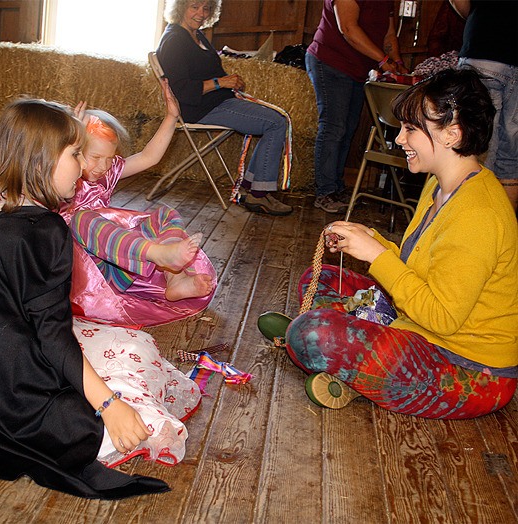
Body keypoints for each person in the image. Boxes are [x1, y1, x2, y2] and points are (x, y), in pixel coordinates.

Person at [0, 98, 200, 499]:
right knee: (121, 405)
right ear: (43, 159)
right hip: (10, 389)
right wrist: (110, 407)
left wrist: (65, 124)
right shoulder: (44, 229)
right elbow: (52, 336)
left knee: (129, 343)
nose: (84, 166)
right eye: (74, 153)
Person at [285, 69, 518, 419]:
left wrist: (376, 255)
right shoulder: (441, 184)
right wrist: (368, 241)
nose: (399, 139)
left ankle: (328, 347)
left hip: (470, 370)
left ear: (452, 134)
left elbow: (441, 317)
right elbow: (420, 269)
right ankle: (347, 355)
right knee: (317, 279)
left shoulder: (479, 213)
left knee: (310, 333)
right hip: (420, 328)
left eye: (411, 129)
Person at [59, 79, 216, 326]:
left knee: (165, 213)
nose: (103, 166)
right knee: (82, 218)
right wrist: (70, 137)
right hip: (86, 275)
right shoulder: (62, 177)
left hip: (120, 265)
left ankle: (173, 275)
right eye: (95, 157)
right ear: (75, 152)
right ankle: (157, 254)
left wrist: (171, 117)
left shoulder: (106, 172)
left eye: (110, 158)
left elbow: (148, 157)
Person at [156, 0, 293, 217]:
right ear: (181, 8)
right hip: (197, 108)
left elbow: (212, 73)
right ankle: (257, 195)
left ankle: (253, 189)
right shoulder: (174, 40)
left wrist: (229, 82)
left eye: (206, 8)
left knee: (276, 119)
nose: (201, 14)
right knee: (276, 122)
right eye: (194, 7)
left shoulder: (197, 36)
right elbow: (180, 89)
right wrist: (221, 83)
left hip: (215, 102)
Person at [306, 0, 407, 213]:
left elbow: (389, 35)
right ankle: (324, 191)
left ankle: (336, 186)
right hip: (331, 62)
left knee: (348, 128)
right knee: (334, 127)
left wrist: (397, 63)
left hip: (358, 69)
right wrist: (382, 60)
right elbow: (348, 28)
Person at [449, 0, 518, 212]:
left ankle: (472, 231)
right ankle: (502, 235)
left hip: (485, 43)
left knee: (475, 147)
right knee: (511, 157)